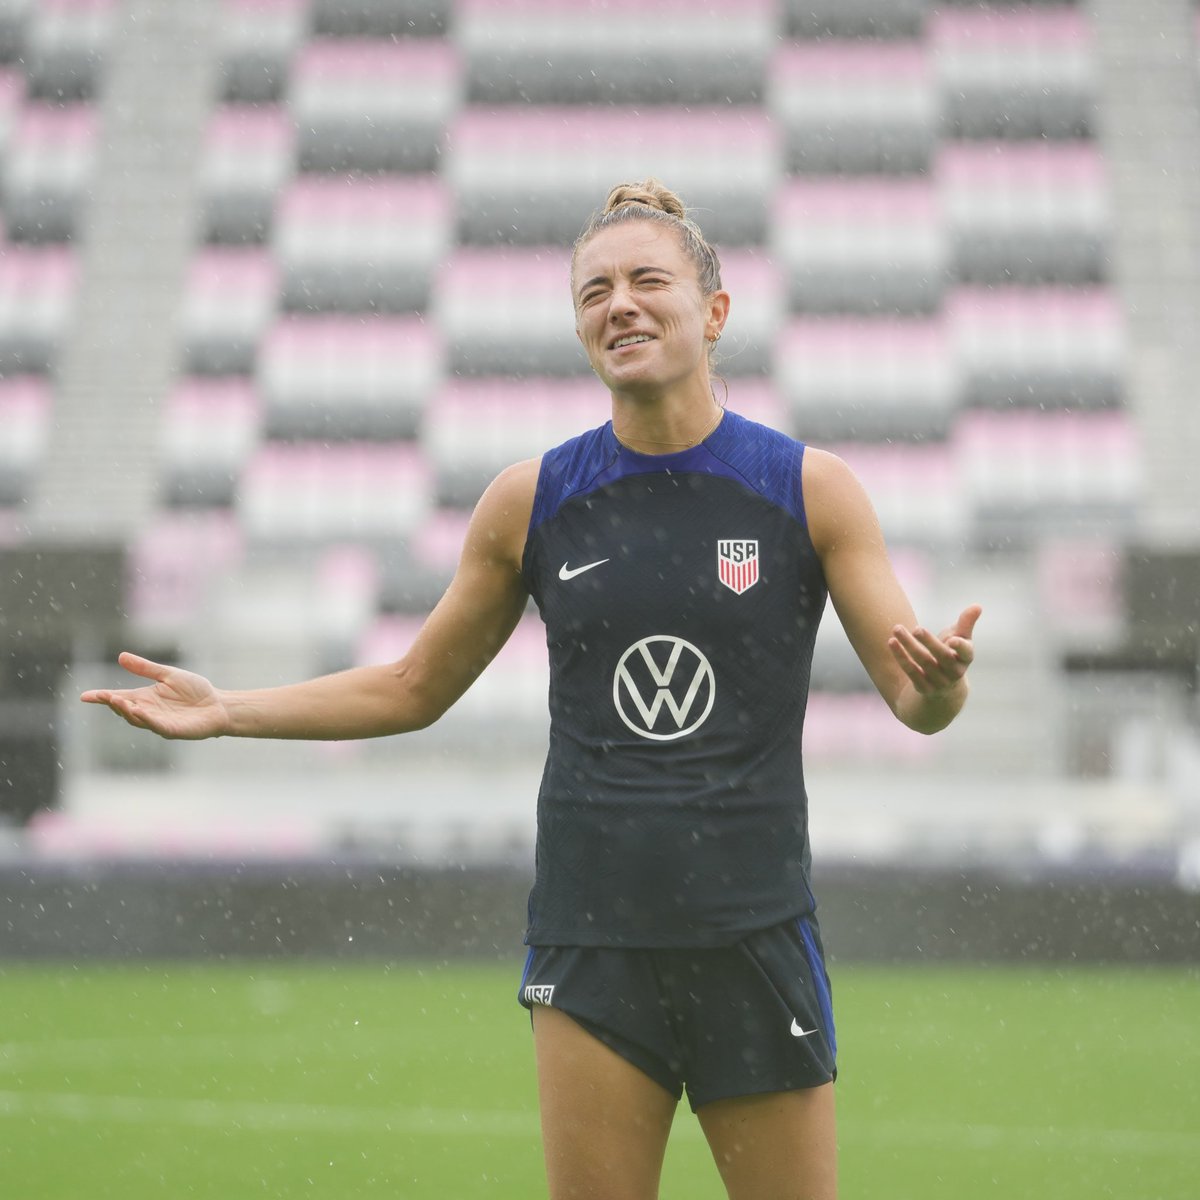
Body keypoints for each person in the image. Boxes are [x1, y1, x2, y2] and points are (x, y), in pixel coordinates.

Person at [82, 179, 981, 1200]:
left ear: (716, 312)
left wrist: (942, 690)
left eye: (649, 281)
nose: (620, 305)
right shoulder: (533, 499)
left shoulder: (808, 488)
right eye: (594, 291)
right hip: (591, 939)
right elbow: (415, 685)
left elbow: (915, 698)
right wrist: (229, 710)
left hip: (754, 931)